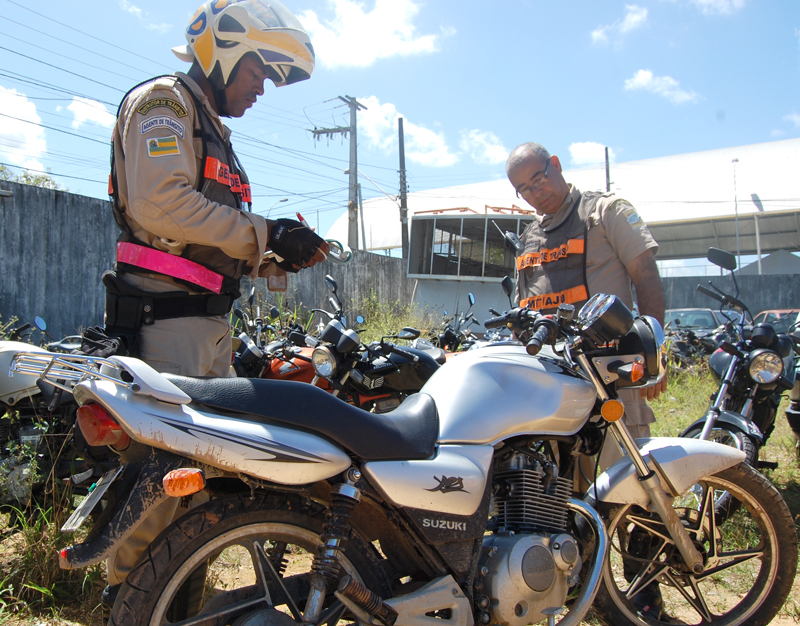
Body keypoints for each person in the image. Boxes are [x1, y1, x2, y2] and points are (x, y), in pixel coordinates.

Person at [101, 0, 327, 606]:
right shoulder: (164, 103)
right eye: (260, 72)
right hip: (162, 324)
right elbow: (160, 207)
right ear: (225, 50)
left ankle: (173, 608)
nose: (263, 89)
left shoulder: (213, 130)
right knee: (163, 486)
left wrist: (278, 250)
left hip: (203, 327)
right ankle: (123, 606)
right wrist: (263, 234)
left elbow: (207, 232)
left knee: (194, 491)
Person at [506, 142, 666, 618]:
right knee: (565, 492)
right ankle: (580, 590)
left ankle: (643, 593)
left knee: (632, 488)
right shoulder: (530, 237)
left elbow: (646, 275)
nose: (534, 193)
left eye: (538, 178)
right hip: (554, 384)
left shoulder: (605, 211)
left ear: (555, 166)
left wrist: (652, 348)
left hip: (611, 375)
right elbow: (523, 308)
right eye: (522, 189)